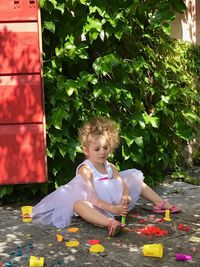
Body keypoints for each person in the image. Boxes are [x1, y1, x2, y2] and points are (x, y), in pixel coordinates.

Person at [32, 117, 181, 237]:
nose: (102, 152)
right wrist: (112, 209)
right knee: (78, 205)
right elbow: (91, 197)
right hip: (98, 205)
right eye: (97, 149)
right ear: (86, 150)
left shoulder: (110, 166)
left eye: (105, 148)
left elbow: (122, 184)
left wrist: (126, 196)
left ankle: (160, 203)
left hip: (115, 203)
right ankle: (109, 222)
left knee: (134, 178)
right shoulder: (86, 169)